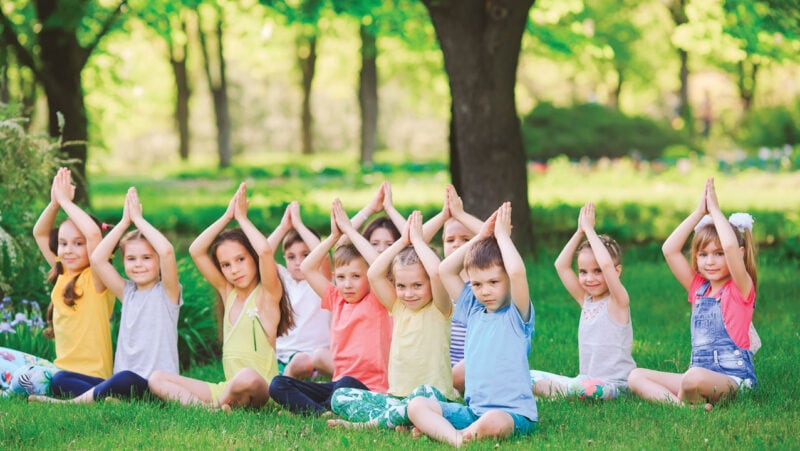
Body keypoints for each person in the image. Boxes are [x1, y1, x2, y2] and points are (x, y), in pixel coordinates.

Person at [148, 183, 294, 410]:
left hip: (262, 389)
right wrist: (227, 216)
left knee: (246, 376)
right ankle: (212, 409)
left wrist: (242, 219)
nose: (234, 269)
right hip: (227, 388)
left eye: (241, 259)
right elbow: (196, 250)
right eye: (226, 265)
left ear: (253, 259)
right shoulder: (228, 293)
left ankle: (218, 404)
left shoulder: (267, 295)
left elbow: (265, 251)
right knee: (157, 378)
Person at [30, 187, 181, 403]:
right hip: (119, 381)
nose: (138, 264)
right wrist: (123, 224)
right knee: (60, 380)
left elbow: (166, 252)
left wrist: (138, 220)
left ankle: (73, 404)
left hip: (155, 387)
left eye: (146, 258)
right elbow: (98, 258)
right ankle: (106, 398)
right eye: (131, 259)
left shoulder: (167, 294)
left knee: (125, 379)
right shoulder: (127, 293)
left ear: (158, 263)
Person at [408, 202, 537, 447]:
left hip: (513, 415)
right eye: (477, 284)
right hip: (473, 411)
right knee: (417, 405)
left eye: (493, 282)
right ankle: (457, 437)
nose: (485, 291)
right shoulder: (473, 310)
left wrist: (500, 236)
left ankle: (456, 433)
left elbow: (518, 273)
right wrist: (481, 236)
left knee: (494, 421)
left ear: (507, 280)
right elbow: (445, 270)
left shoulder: (516, 315)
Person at [627, 178, 758, 409]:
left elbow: (730, 247)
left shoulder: (740, 287)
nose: (710, 261)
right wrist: (699, 212)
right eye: (703, 254)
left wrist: (715, 210)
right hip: (695, 378)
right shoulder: (698, 288)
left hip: (734, 381)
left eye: (718, 254)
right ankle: (686, 408)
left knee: (693, 377)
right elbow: (669, 249)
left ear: (737, 254)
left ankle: (688, 399)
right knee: (635, 377)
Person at [328, 210, 457, 430]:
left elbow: (436, 273)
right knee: (339, 397)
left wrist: (417, 242)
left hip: (432, 398)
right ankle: (406, 421)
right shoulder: (397, 307)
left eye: (417, 285)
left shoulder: (441, 308)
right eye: (401, 286)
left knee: (419, 398)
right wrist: (402, 242)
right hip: (396, 397)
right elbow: (374, 273)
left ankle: (369, 425)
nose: (408, 293)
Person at [268, 199, 392, 415]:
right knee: (278, 384)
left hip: (369, 389)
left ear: (369, 277)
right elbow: (308, 267)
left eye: (355, 277)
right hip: (337, 386)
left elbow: (376, 262)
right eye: (342, 277)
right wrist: (334, 237)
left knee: (344, 386)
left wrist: (350, 231)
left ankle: (320, 407)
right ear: (334, 278)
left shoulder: (377, 299)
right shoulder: (336, 298)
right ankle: (323, 412)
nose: (347, 284)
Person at [530, 202, 635, 400]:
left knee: (581, 387)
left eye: (597, 272)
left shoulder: (618, 301)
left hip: (615, 386)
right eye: (583, 272)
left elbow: (606, 264)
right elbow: (561, 265)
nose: (589, 278)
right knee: (527, 375)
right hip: (585, 381)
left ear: (616, 271)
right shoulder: (586, 300)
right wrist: (579, 232)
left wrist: (589, 230)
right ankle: (562, 391)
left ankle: (560, 393)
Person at [31, 168, 115, 390]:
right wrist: (55, 203)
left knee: (57, 382)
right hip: (61, 370)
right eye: (63, 243)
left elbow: (94, 234)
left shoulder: (98, 277)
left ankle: (99, 394)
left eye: (78, 243)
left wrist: (67, 202)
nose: (68, 250)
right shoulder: (62, 271)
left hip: (91, 377)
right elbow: (40, 233)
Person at [267, 201, 333, 379]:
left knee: (302, 362)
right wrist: (283, 228)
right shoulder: (282, 279)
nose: (298, 262)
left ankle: (285, 387)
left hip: (315, 357)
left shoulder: (321, 281)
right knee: (295, 364)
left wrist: (298, 224)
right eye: (291, 257)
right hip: (282, 356)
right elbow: (262, 254)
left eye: (306, 255)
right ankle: (284, 384)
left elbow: (324, 254)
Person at [440, 184, 483, 395]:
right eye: (450, 240)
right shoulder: (439, 278)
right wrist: (443, 217)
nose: (457, 245)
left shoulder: (482, 281)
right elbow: (412, 241)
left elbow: (491, 236)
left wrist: (461, 215)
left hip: (473, 364)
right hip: (444, 363)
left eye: (466, 239)